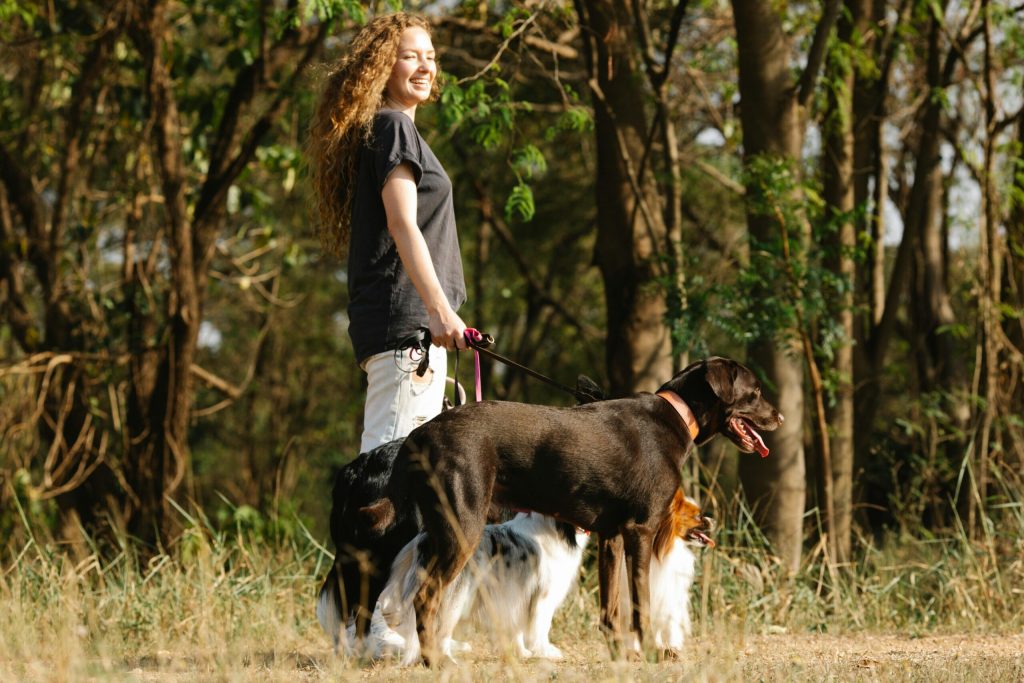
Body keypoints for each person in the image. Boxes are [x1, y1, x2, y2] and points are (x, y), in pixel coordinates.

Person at [308, 13, 467, 453]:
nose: (424, 66)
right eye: (409, 56)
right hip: (409, 329)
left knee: (406, 473)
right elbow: (402, 225)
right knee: (388, 466)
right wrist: (438, 309)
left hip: (409, 328)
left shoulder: (394, 130)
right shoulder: (393, 126)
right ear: (382, 66)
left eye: (430, 57)